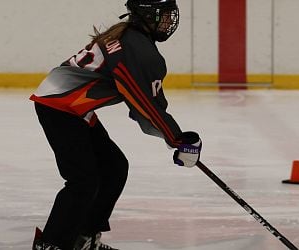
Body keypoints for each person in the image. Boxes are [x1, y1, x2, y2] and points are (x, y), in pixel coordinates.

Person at [30, 0, 202, 249]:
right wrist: (177, 139)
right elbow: (143, 103)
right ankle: (52, 244)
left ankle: (83, 239)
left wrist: (176, 136)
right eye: (163, 15)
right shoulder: (136, 48)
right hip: (61, 107)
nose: (168, 21)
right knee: (83, 181)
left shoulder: (131, 37)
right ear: (146, 14)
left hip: (73, 107)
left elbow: (148, 103)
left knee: (114, 168)